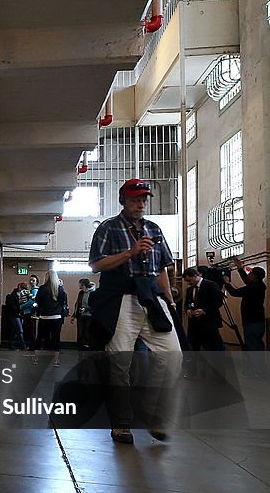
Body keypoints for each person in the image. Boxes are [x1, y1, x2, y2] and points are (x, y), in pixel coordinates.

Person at [88, 179, 182, 444]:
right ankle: (121, 424)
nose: (140, 204)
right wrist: (130, 252)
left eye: (143, 199)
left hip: (151, 297)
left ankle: (154, 415)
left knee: (172, 356)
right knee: (120, 363)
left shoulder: (154, 229)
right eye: (134, 199)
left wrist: (169, 301)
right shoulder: (109, 227)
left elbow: (163, 267)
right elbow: (96, 264)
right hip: (121, 297)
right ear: (123, 201)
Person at [223, 259, 266, 351]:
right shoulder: (259, 285)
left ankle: (256, 365)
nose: (248, 275)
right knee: (256, 344)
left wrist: (227, 283)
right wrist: (240, 268)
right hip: (258, 321)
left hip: (252, 323)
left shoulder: (253, 288)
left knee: (253, 346)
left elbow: (234, 292)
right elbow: (247, 280)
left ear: (254, 276)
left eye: (250, 273)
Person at [183, 267, 225, 351]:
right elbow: (187, 303)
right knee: (194, 345)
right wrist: (187, 310)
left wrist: (205, 310)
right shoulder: (190, 290)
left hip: (209, 321)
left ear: (195, 276)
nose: (189, 283)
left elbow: (219, 301)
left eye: (190, 280)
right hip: (194, 323)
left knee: (214, 346)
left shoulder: (210, 285)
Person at [33, 270, 67, 366]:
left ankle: (36, 359)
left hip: (44, 317)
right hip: (56, 317)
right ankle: (56, 360)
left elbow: (37, 302)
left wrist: (39, 313)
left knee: (39, 338)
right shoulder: (59, 289)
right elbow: (62, 302)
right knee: (56, 339)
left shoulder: (42, 288)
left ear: (47, 277)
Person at [71, 278, 95, 351]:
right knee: (80, 333)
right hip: (80, 316)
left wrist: (86, 309)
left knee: (87, 333)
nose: (79, 285)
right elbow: (77, 304)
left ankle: (88, 349)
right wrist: (74, 315)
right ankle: (80, 349)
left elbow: (95, 306)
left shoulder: (92, 293)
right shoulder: (81, 293)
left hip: (89, 316)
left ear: (83, 284)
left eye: (79, 283)